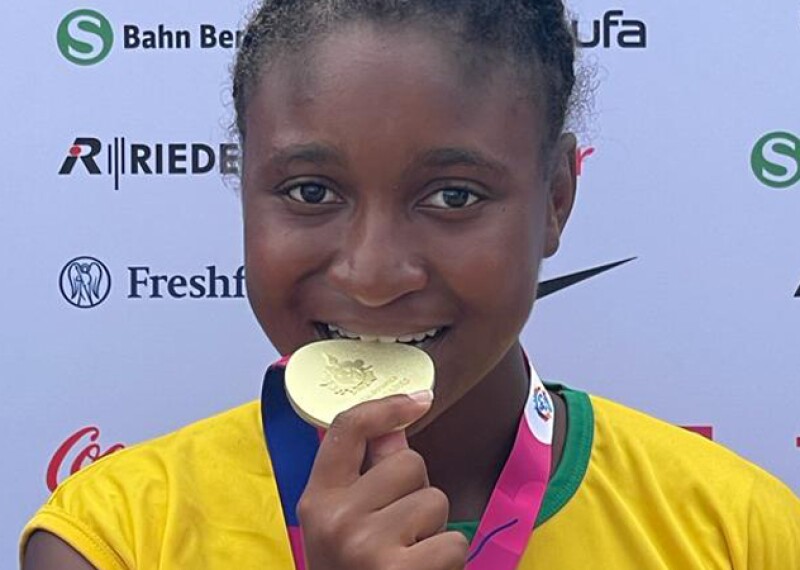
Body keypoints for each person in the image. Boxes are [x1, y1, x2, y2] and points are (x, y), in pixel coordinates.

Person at [20, 1, 800, 568]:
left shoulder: (741, 533)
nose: (371, 275)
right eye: (310, 192)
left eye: (454, 196)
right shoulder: (113, 538)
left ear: (557, 198)